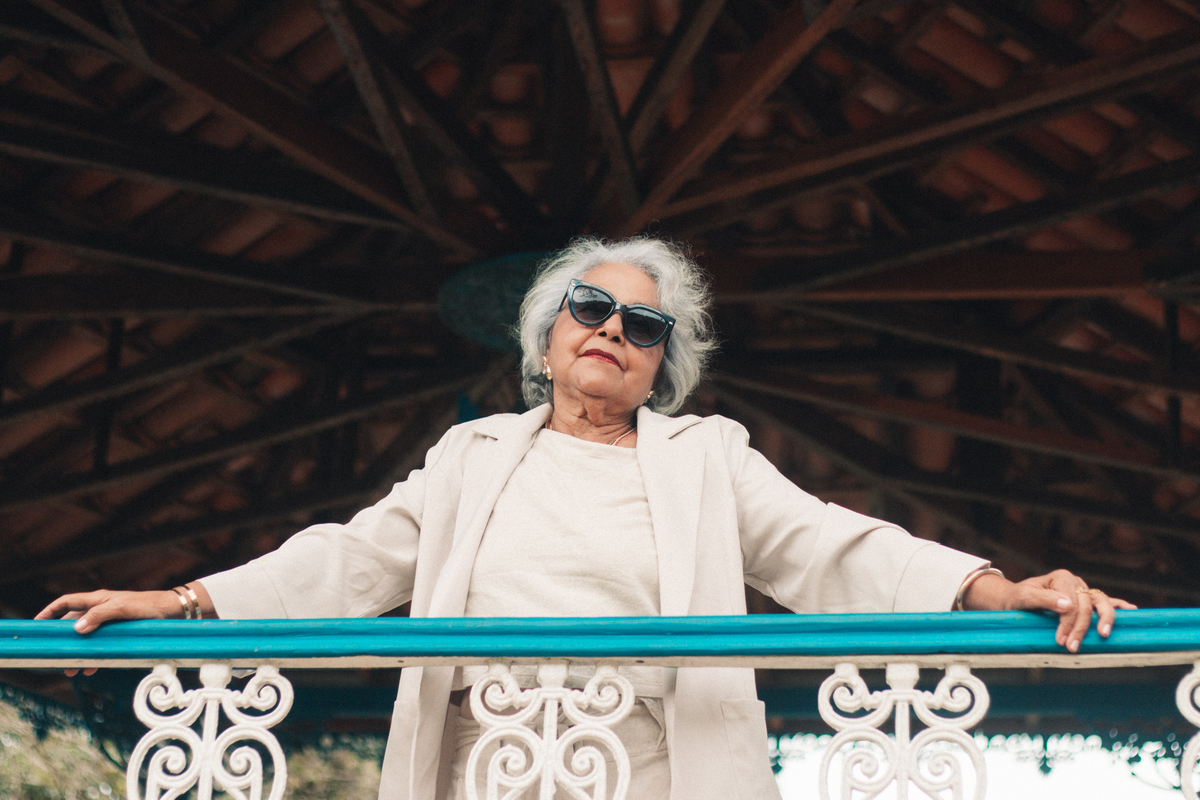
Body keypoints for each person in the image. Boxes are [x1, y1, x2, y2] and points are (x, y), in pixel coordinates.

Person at [38, 237, 1135, 800]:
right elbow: (354, 560)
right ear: (548, 333)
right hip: (481, 761)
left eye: (643, 322)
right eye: (590, 306)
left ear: (664, 361)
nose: (612, 326)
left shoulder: (708, 455)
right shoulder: (473, 453)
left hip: (651, 765)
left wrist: (1001, 588)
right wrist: (181, 599)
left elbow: (835, 544)